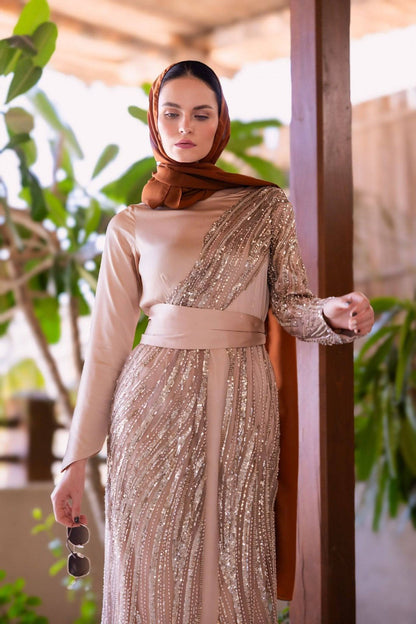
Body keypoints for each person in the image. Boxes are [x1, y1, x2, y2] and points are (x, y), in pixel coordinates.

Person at [51, 60, 374, 623]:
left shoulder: (265, 205)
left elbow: (291, 304)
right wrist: (75, 460)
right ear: (155, 120)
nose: (185, 127)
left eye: (201, 114)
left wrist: (333, 313)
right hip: (151, 406)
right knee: (154, 567)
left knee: (236, 563)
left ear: (220, 121)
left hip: (247, 399)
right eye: (172, 113)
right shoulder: (130, 224)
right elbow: (106, 346)